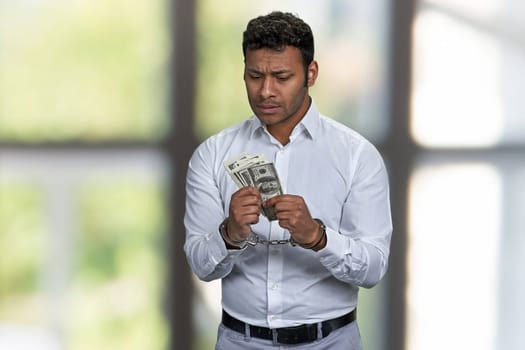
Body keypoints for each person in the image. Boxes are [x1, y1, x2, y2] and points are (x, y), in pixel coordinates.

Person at [184, 11, 392, 349]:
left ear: (311, 73)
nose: (266, 90)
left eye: (282, 77)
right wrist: (230, 233)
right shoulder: (212, 155)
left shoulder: (357, 156)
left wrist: (317, 237)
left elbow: (373, 269)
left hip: (331, 342)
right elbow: (201, 266)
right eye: (254, 76)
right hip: (240, 341)